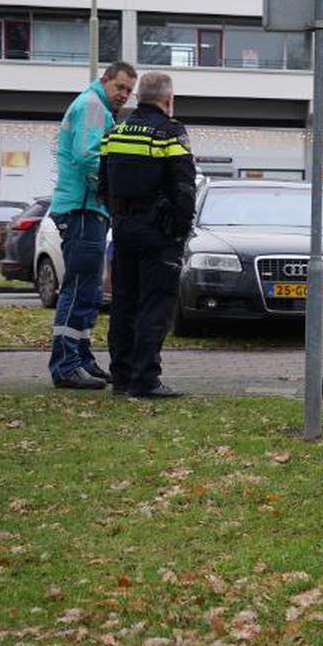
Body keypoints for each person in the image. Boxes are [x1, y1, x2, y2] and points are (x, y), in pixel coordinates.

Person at [100, 71, 196, 399]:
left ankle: (122, 376)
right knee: (155, 304)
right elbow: (184, 186)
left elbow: (103, 183)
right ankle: (145, 379)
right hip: (159, 233)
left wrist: (118, 216)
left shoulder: (116, 131)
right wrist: (180, 232)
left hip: (124, 229)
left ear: (139, 96)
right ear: (168, 100)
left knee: (124, 303)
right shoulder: (170, 132)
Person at [47, 61, 137, 390]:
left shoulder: (96, 107)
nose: (124, 95)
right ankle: (66, 365)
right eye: (120, 88)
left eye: (129, 90)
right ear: (105, 81)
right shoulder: (93, 107)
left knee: (89, 290)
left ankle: (81, 358)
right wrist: (113, 189)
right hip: (83, 210)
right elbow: (87, 157)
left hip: (87, 210)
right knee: (79, 288)